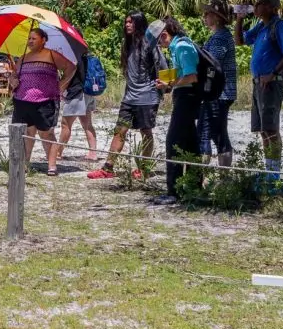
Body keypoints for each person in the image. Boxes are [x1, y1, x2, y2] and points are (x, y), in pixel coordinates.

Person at [88, 12, 166, 181]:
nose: (127, 25)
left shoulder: (150, 44)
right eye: (126, 22)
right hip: (129, 97)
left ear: (139, 23)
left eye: (131, 22)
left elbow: (163, 66)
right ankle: (108, 167)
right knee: (120, 131)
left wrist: (165, 87)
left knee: (146, 132)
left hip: (147, 97)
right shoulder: (127, 44)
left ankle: (144, 169)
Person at [237, 0, 283, 180]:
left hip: (271, 84)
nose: (255, 6)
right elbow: (240, 41)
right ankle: (268, 170)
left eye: (260, 3)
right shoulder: (261, 27)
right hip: (258, 84)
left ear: (272, 7)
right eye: (255, 3)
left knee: (271, 129)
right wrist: (239, 19)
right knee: (263, 130)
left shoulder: (278, 25)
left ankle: (274, 175)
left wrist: (274, 73)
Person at [12, 27, 73, 176]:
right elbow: (14, 74)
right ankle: (24, 164)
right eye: (29, 38)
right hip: (22, 100)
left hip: (45, 100)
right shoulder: (23, 57)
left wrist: (61, 85)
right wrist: (12, 80)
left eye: (34, 38)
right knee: (27, 133)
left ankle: (52, 166)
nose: (30, 41)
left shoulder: (52, 54)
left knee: (47, 133)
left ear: (43, 40)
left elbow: (71, 67)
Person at [157, 15, 201, 202]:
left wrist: (172, 84)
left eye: (160, 37)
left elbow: (192, 76)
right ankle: (193, 186)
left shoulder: (182, 46)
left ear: (165, 34)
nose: (159, 42)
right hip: (183, 96)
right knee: (190, 143)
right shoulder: (176, 48)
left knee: (173, 142)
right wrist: (167, 83)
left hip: (188, 97)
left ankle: (173, 191)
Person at [198, 2, 239, 167]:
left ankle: (201, 175)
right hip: (218, 92)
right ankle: (218, 176)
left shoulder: (221, 36)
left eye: (207, 13)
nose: (205, 17)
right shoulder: (218, 35)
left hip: (219, 93)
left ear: (216, 17)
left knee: (207, 132)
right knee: (216, 132)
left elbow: (211, 62)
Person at [59, 53, 99, 162]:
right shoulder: (86, 56)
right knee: (87, 125)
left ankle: (58, 153)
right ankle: (93, 153)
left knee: (65, 124)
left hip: (77, 94)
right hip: (88, 93)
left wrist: (60, 89)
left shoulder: (74, 58)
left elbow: (69, 76)